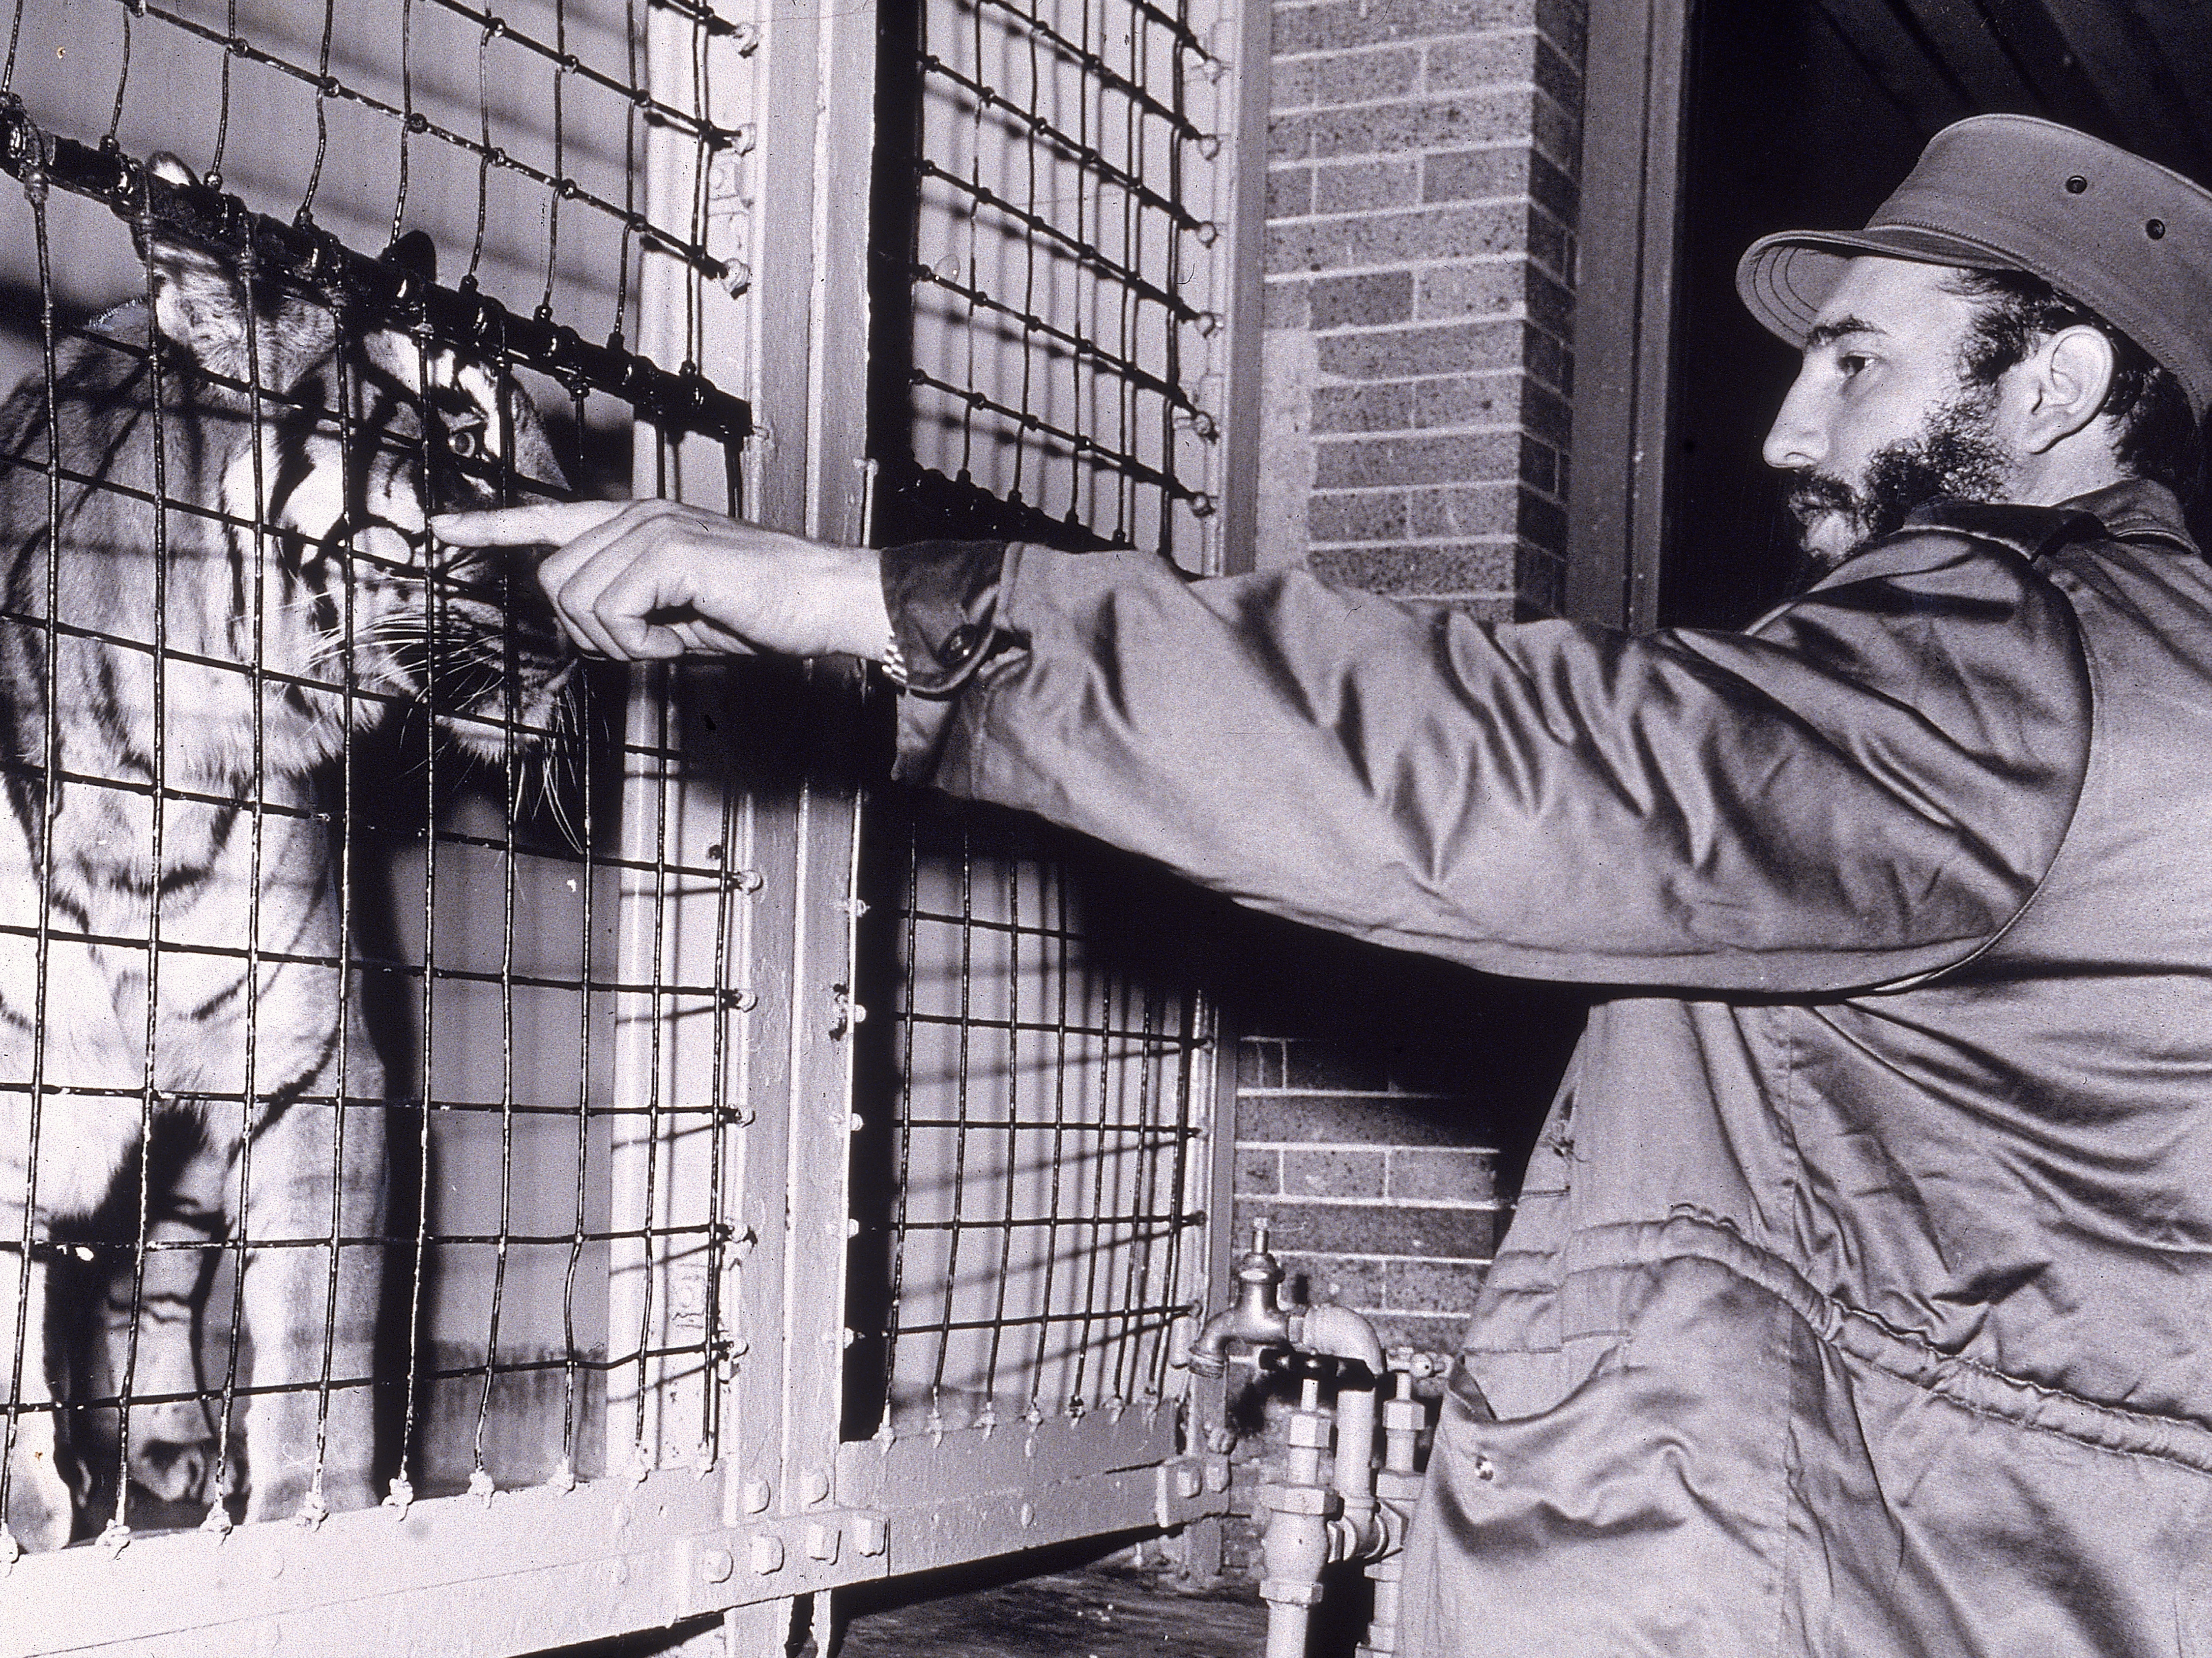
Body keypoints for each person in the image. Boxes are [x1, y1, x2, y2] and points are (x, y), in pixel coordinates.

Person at [438, 115, 2212, 1656]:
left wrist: (891, 601)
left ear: (2049, 386)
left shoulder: (2002, 655)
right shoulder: (2166, 666)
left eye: (1852, 364)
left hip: (1880, 1570)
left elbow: (1512, 767)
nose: (1780, 431)